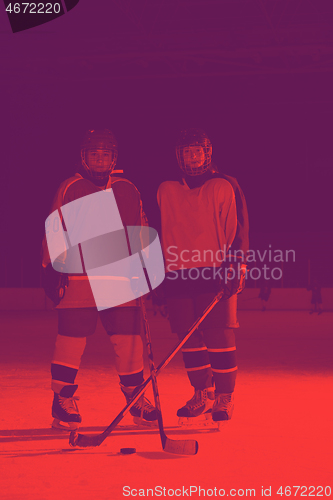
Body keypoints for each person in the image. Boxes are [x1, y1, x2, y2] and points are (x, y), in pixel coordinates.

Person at [41, 129, 157, 429]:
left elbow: (140, 227)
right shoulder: (72, 187)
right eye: (94, 154)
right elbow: (56, 227)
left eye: (105, 154)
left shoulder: (128, 188)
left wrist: (148, 265)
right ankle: (62, 400)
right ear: (84, 157)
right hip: (79, 276)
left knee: (129, 341)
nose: (100, 159)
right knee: (71, 340)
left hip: (120, 278)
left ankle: (136, 400)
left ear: (114, 158)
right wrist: (52, 268)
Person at [157, 129, 249, 426]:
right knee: (189, 338)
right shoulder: (166, 189)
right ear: (179, 156)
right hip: (178, 273)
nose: (192, 156)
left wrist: (236, 265)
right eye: (187, 152)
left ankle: (224, 397)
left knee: (219, 334)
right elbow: (159, 232)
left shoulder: (224, 184)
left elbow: (240, 228)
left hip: (215, 270)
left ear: (208, 154)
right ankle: (202, 393)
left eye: (197, 151)